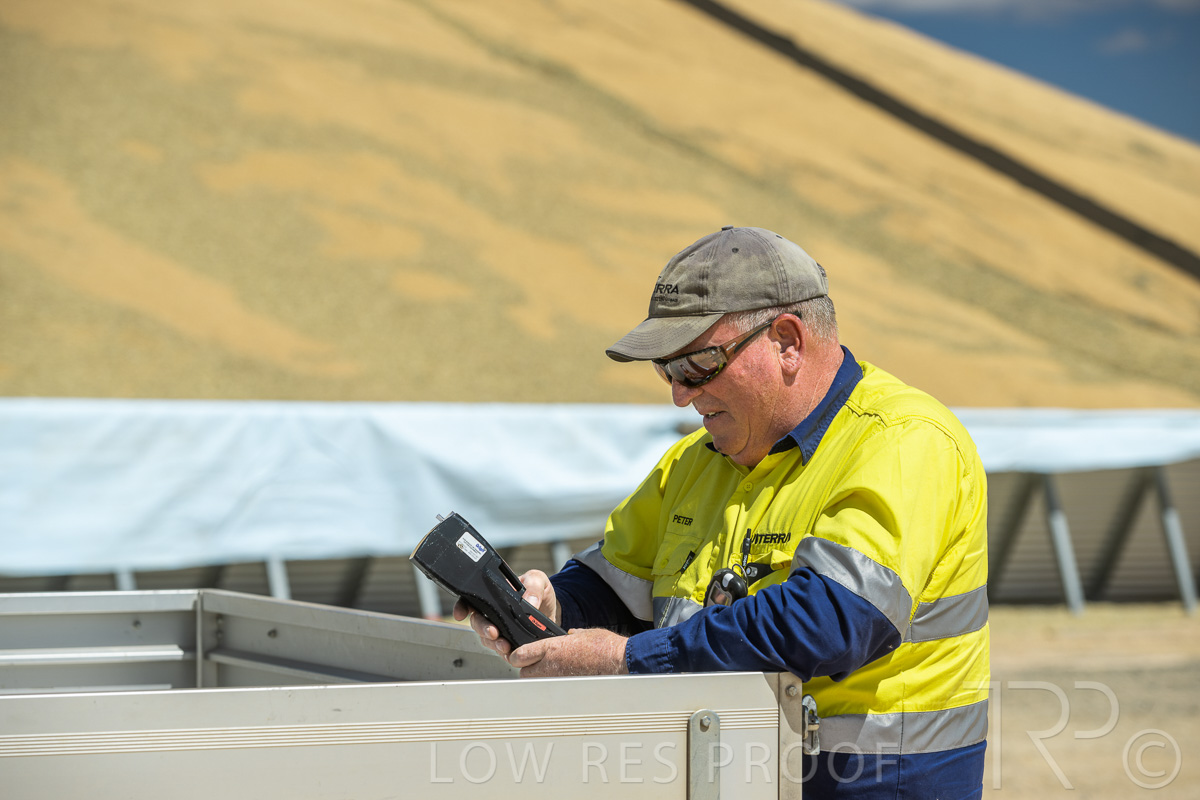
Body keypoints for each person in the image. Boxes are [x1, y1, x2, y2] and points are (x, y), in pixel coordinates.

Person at [455, 225, 990, 798]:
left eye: (699, 363)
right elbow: (616, 585)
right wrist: (549, 604)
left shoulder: (906, 441)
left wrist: (627, 659)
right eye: (667, 369)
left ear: (787, 341)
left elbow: (829, 625)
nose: (679, 394)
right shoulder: (695, 460)